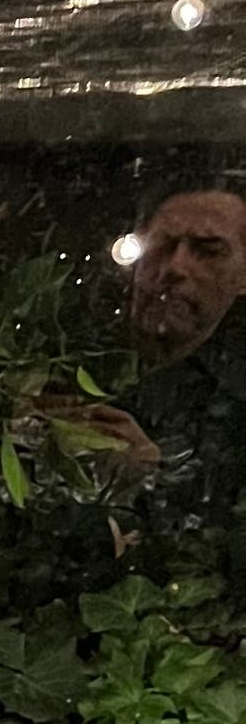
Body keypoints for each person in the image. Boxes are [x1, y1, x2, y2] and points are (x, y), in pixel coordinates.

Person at [54, 187, 246, 558]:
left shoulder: (234, 401)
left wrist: (150, 481)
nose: (175, 268)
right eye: (162, 245)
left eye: (208, 251)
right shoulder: (69, 353)